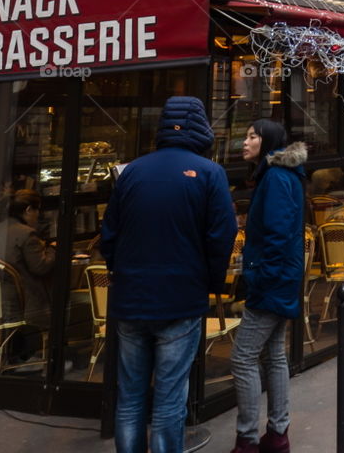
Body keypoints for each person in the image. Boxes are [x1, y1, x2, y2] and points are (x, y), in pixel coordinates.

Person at [100, 96, 236, 453]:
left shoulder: (131, 172)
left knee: (129, 400)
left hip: (130, 298)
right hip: (180, 298)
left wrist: (119, 271)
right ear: (202, 127)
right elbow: (221, 236)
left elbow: (109, 234)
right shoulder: (209, 173)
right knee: (169, 402)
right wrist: (211, 283)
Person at [230, 119, 307, 453]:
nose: (243, 143)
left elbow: (276, 233)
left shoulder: (275, 177)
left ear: (268, 141)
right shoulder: (280, 175)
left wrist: (260, 276)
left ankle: (247, 439)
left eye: (251, 137)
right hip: (280, 278)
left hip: (271, 281)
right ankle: (277, 435)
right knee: (274, 355)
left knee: (242, 357)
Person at [0, 189, 56, 354]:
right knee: (60, 303)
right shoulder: (27, 234)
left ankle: (19, 355)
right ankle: (42, 356)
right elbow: (41, 267)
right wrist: (52, 249)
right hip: (16, 303)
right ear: (29, 210)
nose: (38, 215)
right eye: (38, 210)